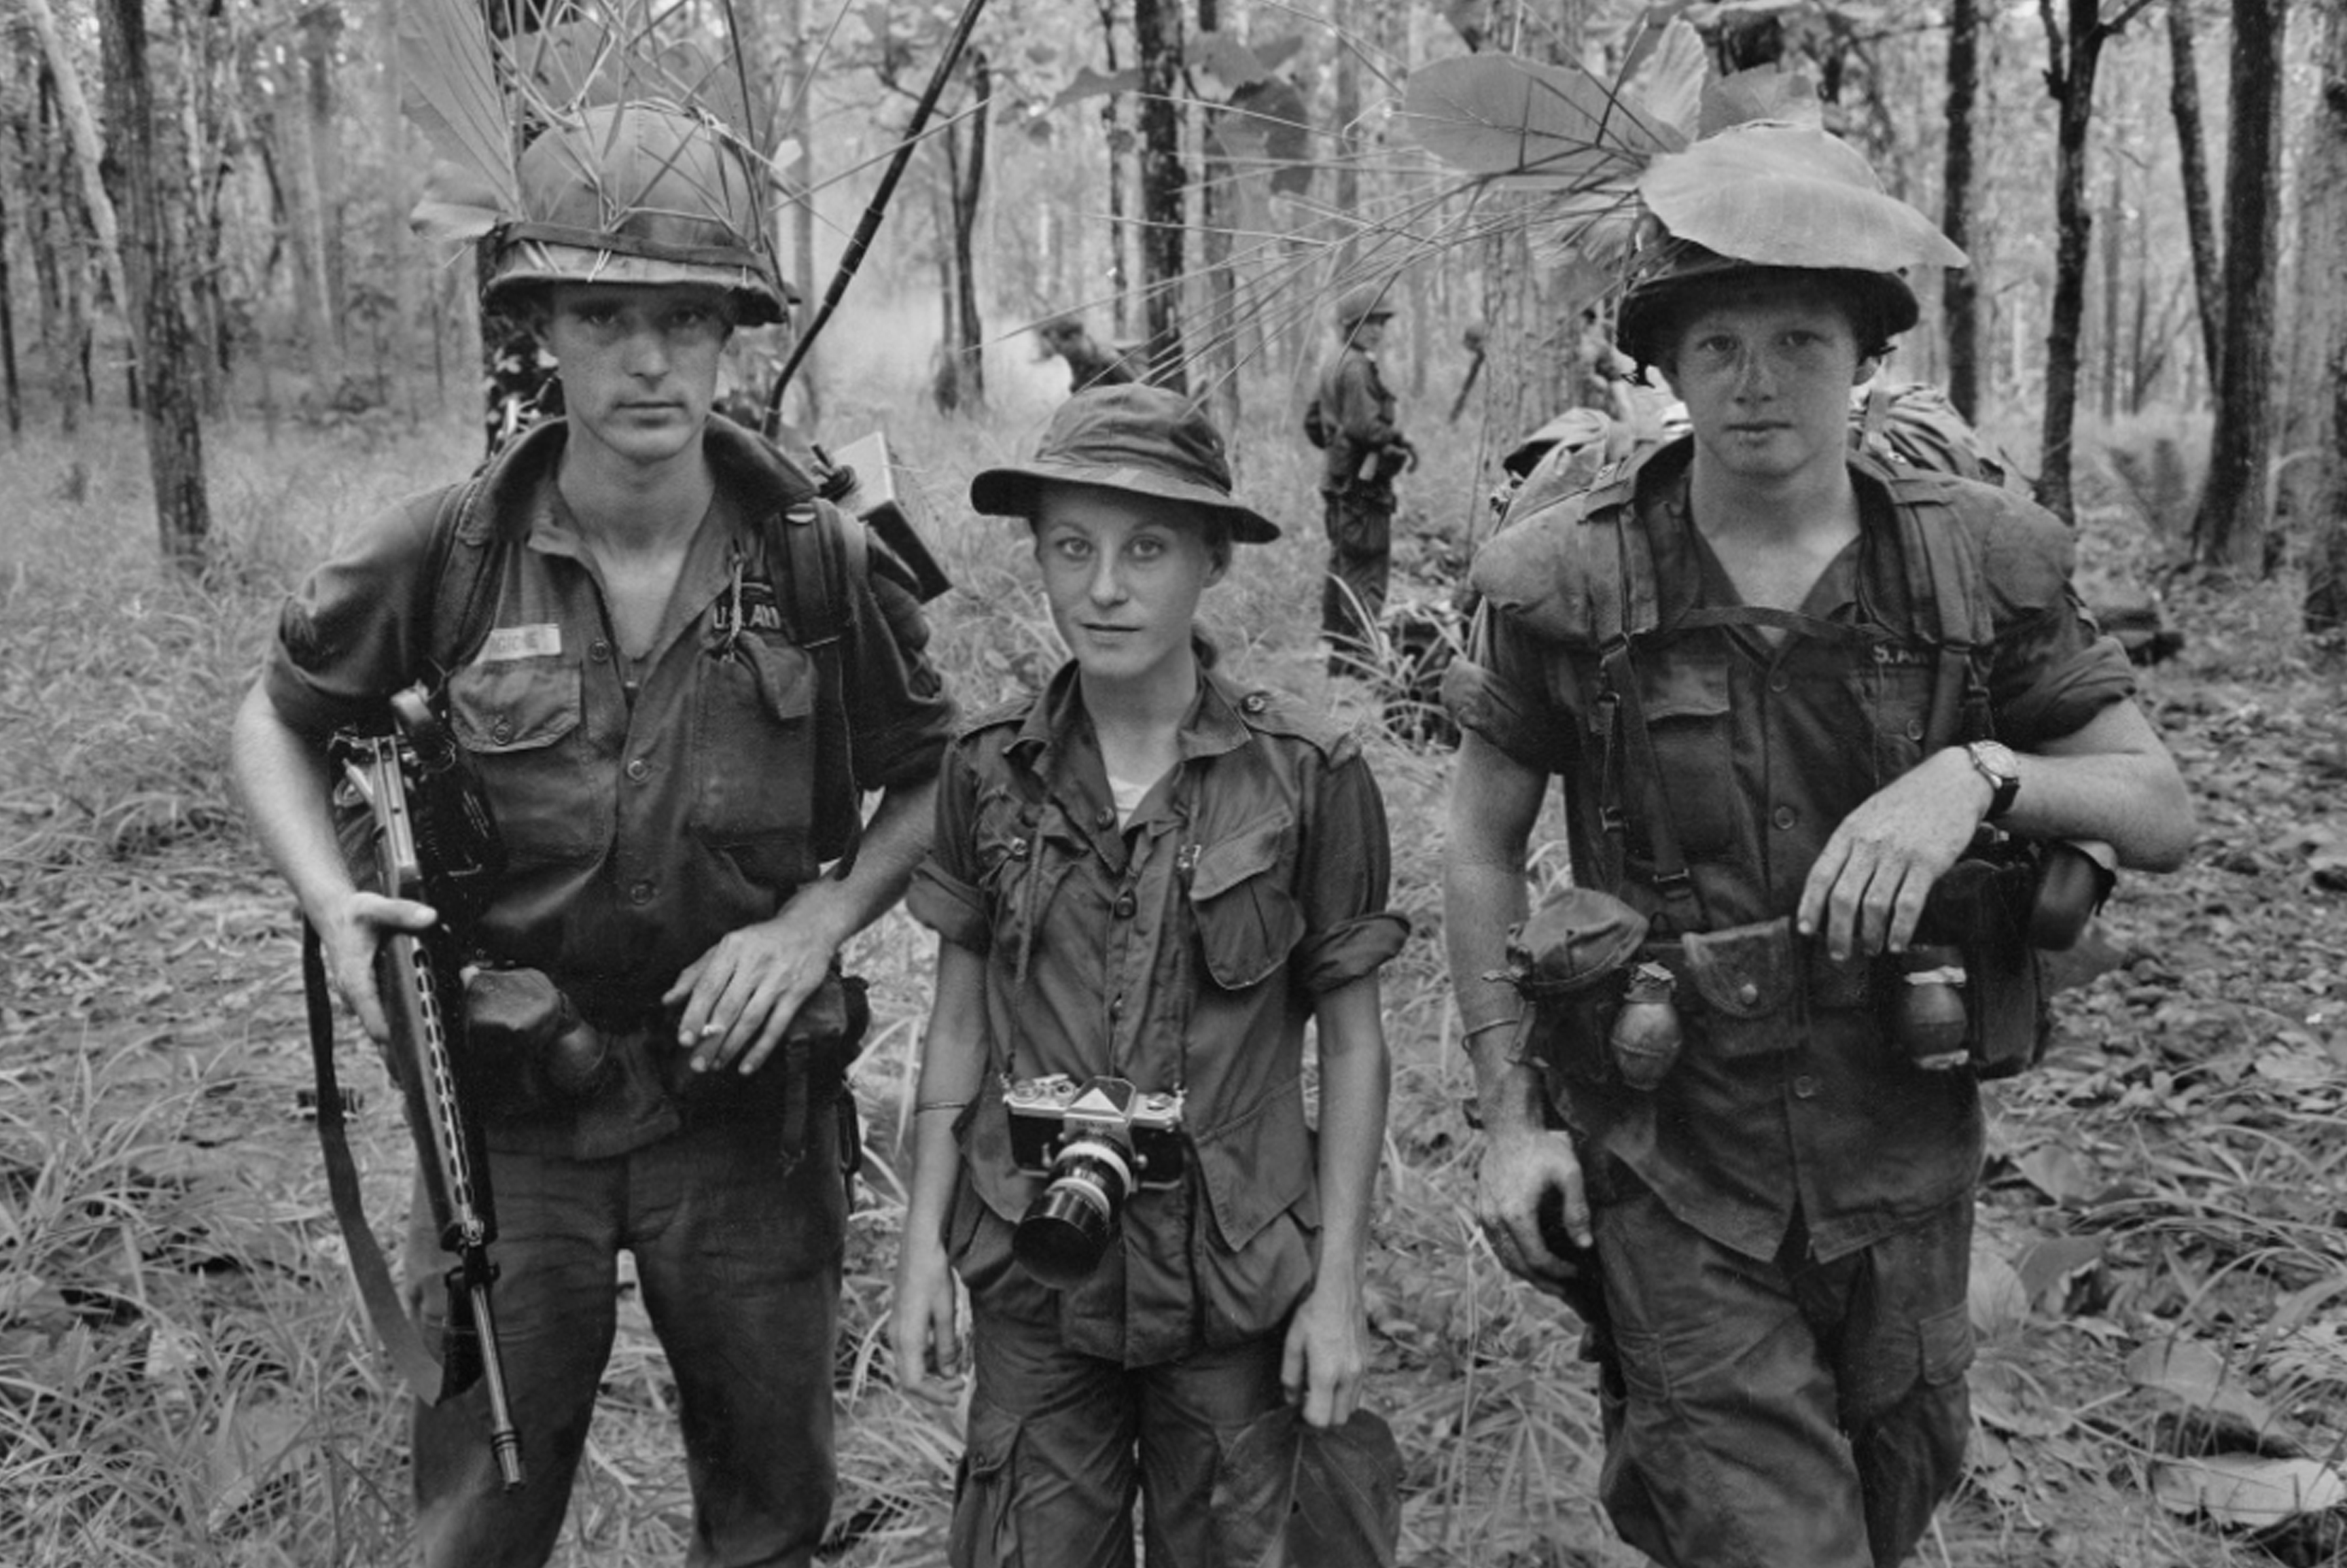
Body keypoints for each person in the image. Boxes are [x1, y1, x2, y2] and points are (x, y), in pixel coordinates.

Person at [1440, 124, 2195, 1568]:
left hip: (1900, 1152)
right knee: (1767, 1530)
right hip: (1671, 1154)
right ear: (1668, 367)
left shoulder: (1973, 563)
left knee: (1887, 1491)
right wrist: (1506, 1114)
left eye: (1797, 339)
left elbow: (2154, 806)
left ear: (1860, 356)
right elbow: (1479, 840)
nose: (1755, 380)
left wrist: (1974, 777)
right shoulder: (1571, 580)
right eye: (1717, 344)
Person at [230, 102, 955, 1568]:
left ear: (729, 334)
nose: (648, 359)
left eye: (686, 318)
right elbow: (274, 720)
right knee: (478, 1518)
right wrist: (332, 903)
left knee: (769, 1512)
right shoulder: (446, 547)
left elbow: (939, 771)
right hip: (511, 1112)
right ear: (541, 329)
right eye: (604, 316)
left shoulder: (816, 559)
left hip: (742, 1113)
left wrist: (816, 919)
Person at [890, 384, 1407, 1567]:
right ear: (1036, 556)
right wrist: (922, 1245)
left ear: (1212, 560)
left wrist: (1336, 1284)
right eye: (1071, 547)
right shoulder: (985, 772)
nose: (1105, 587)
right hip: (1036, 1275)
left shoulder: (1306, 776)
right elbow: (957, 1026)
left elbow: (1353, 1044)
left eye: (1147, 549)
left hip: (1231, 1281)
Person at [1310, 283, 1415, 677]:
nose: (1377, 330)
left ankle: (1339, 653)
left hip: (1340, 481)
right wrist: (1396, 440)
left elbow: (1313, 421)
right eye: (1368, 323)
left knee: (1343, 562)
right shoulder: (1355, 367)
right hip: (1360, 486)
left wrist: (1336, 448)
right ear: (1350, 326)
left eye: (1381, 322)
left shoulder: (1334, 362)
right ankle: (1359, 659)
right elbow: (1365, 427)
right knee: (1366, 567)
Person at [1036, 315, 1138, 393]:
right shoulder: (1076, 360)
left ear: (1074, 338)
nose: (1058, 353)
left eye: (1058, 347)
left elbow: (1140, 394)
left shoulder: (1108, 360)